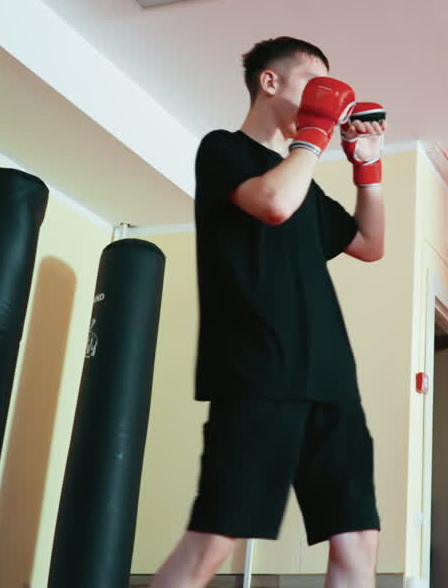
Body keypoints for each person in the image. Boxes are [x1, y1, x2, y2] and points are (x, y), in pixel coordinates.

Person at [152, 37, 388, 588]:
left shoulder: (302, 179)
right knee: (217, 537)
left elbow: (371, 244)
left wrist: (368, 170)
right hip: (260, 369)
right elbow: (273, 204)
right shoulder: (223, 151)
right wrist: (315, 134)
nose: (323, 100)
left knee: (358, 540)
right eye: (313, 84)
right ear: (270, 81)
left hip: (332, 377)